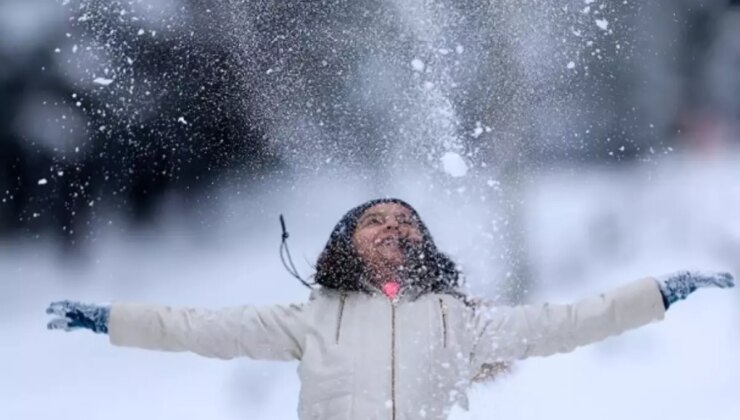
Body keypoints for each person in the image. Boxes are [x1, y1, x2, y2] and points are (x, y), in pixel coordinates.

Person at [46, 198, 735, 420]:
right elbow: (197, 328)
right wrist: (109, 319)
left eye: (407, 221)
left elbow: (568, 322)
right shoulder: (311, 317)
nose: (394, 227)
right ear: (345, 242)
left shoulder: (458, 320)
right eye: (375, 219)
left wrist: (659, 293)